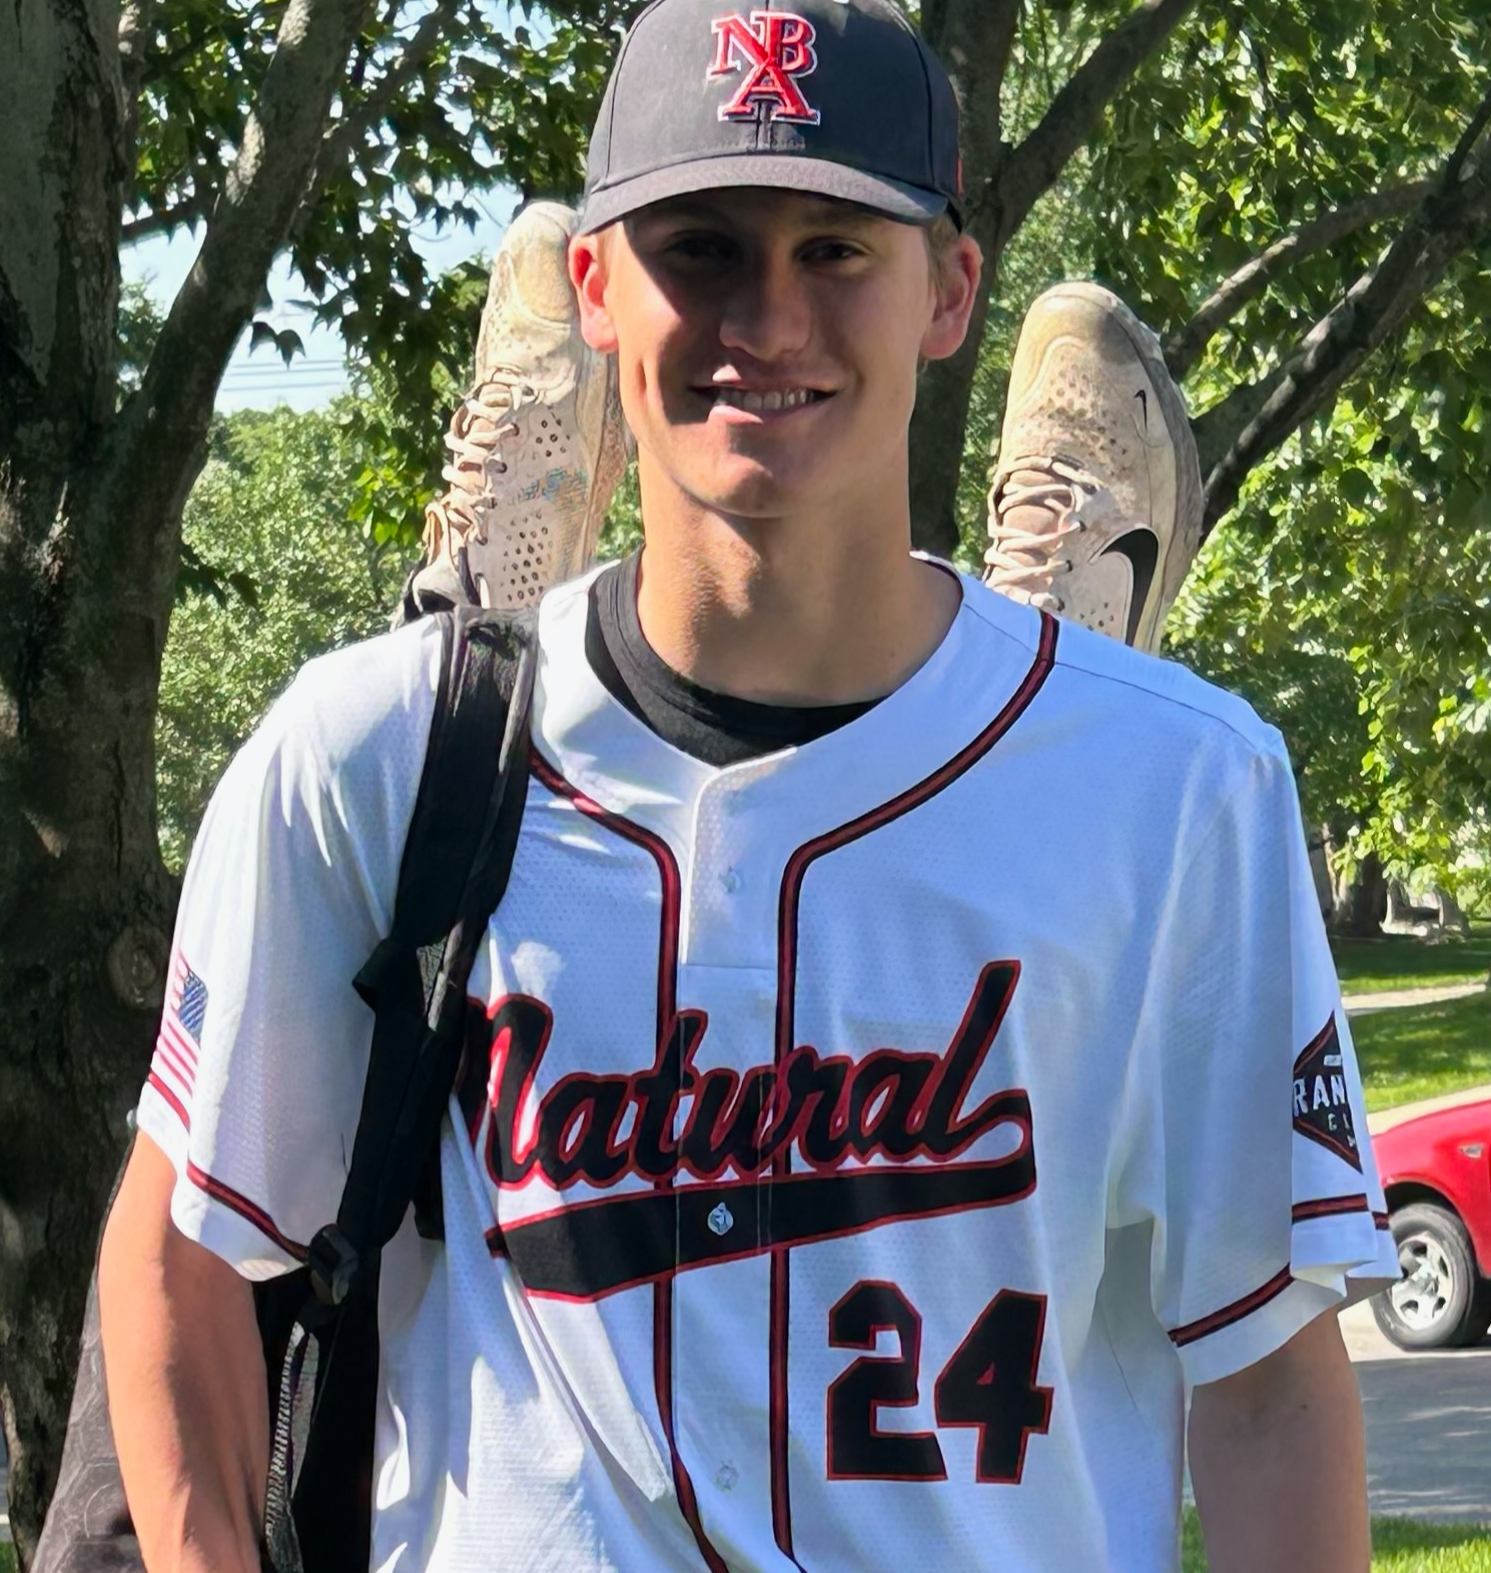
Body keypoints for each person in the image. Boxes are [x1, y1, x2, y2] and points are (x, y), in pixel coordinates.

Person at [98, 2, 1400, 1570]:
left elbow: (1264, 1383)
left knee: (1062, 774)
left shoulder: (1183, 789)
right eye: (699, 250)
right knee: (459, 725)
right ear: (596, 286)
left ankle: (1046, 631)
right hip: (479, 775)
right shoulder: (362, 755)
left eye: (833, 250)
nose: (767, 318)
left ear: (950, 289)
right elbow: (183, 1248)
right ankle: (487, 597)